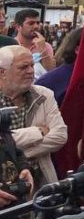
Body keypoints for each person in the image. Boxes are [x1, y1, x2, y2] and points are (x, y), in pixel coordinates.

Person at [0, 45, 66, 189]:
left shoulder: (44, 95)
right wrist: (38, 132)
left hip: (40, 183)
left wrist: (14, 154)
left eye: (32, 65)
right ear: (2, 73)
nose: (31, 71)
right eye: (23, 67)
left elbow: (60, 136)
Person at [13, 9, 54, 74]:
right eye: (31, 23)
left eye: (37, 23)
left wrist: (43, 50)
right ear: (18, 27)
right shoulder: (11, 45)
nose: (36, 26)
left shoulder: (46, 46)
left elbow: (51, 72)